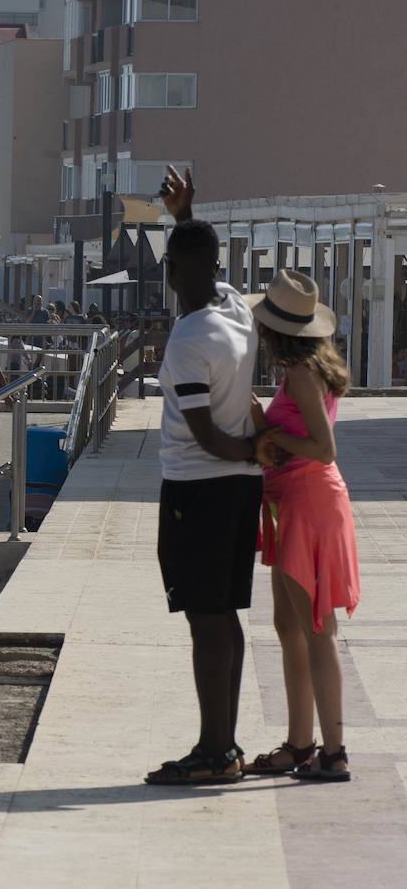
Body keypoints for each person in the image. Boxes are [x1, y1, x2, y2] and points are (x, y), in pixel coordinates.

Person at [145, 166, 272, 787]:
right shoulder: (236, 313)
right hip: (236, 491)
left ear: (171, 275)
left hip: (199, 489)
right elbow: (201, 260)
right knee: (224, 614)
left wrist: (253, 452)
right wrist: (185, 216)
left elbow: (209, 439)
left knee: (205, 619)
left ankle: (213, 752)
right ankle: (226, 744)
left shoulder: (189, 341)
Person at [241, 270, 359, 782]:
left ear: (276, 332)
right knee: (289, 626)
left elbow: (324, 448)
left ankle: (332, 751)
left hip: (310, 500)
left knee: (315, 628)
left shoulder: (304, 375)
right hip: (295, 500)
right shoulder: (302, 369)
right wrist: (263, 424)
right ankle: (299, 743)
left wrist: (271, 437)